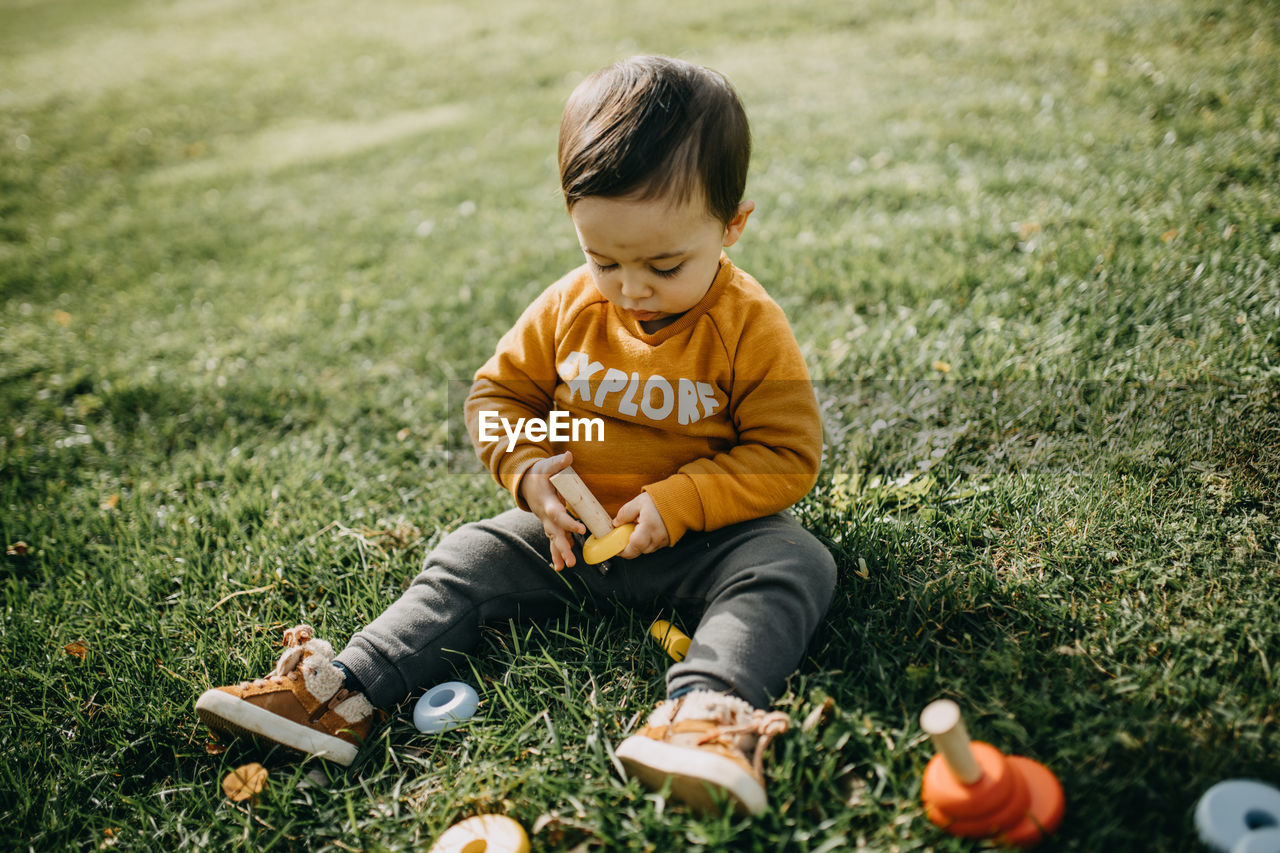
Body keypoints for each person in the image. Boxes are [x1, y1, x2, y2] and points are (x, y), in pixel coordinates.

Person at [196, 54, 836, 817]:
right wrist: (530, 472)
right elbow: (497, 395)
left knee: (795, 560)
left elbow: (785, 454)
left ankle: (703, 715)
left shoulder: (749, 326)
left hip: (702, 540)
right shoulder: (570, 306)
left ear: (732, 227)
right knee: (470, 552)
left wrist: (680, 501)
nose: (632, 287)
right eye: (603, 259)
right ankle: (342, 693)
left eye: (665, 264)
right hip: (565, 538)